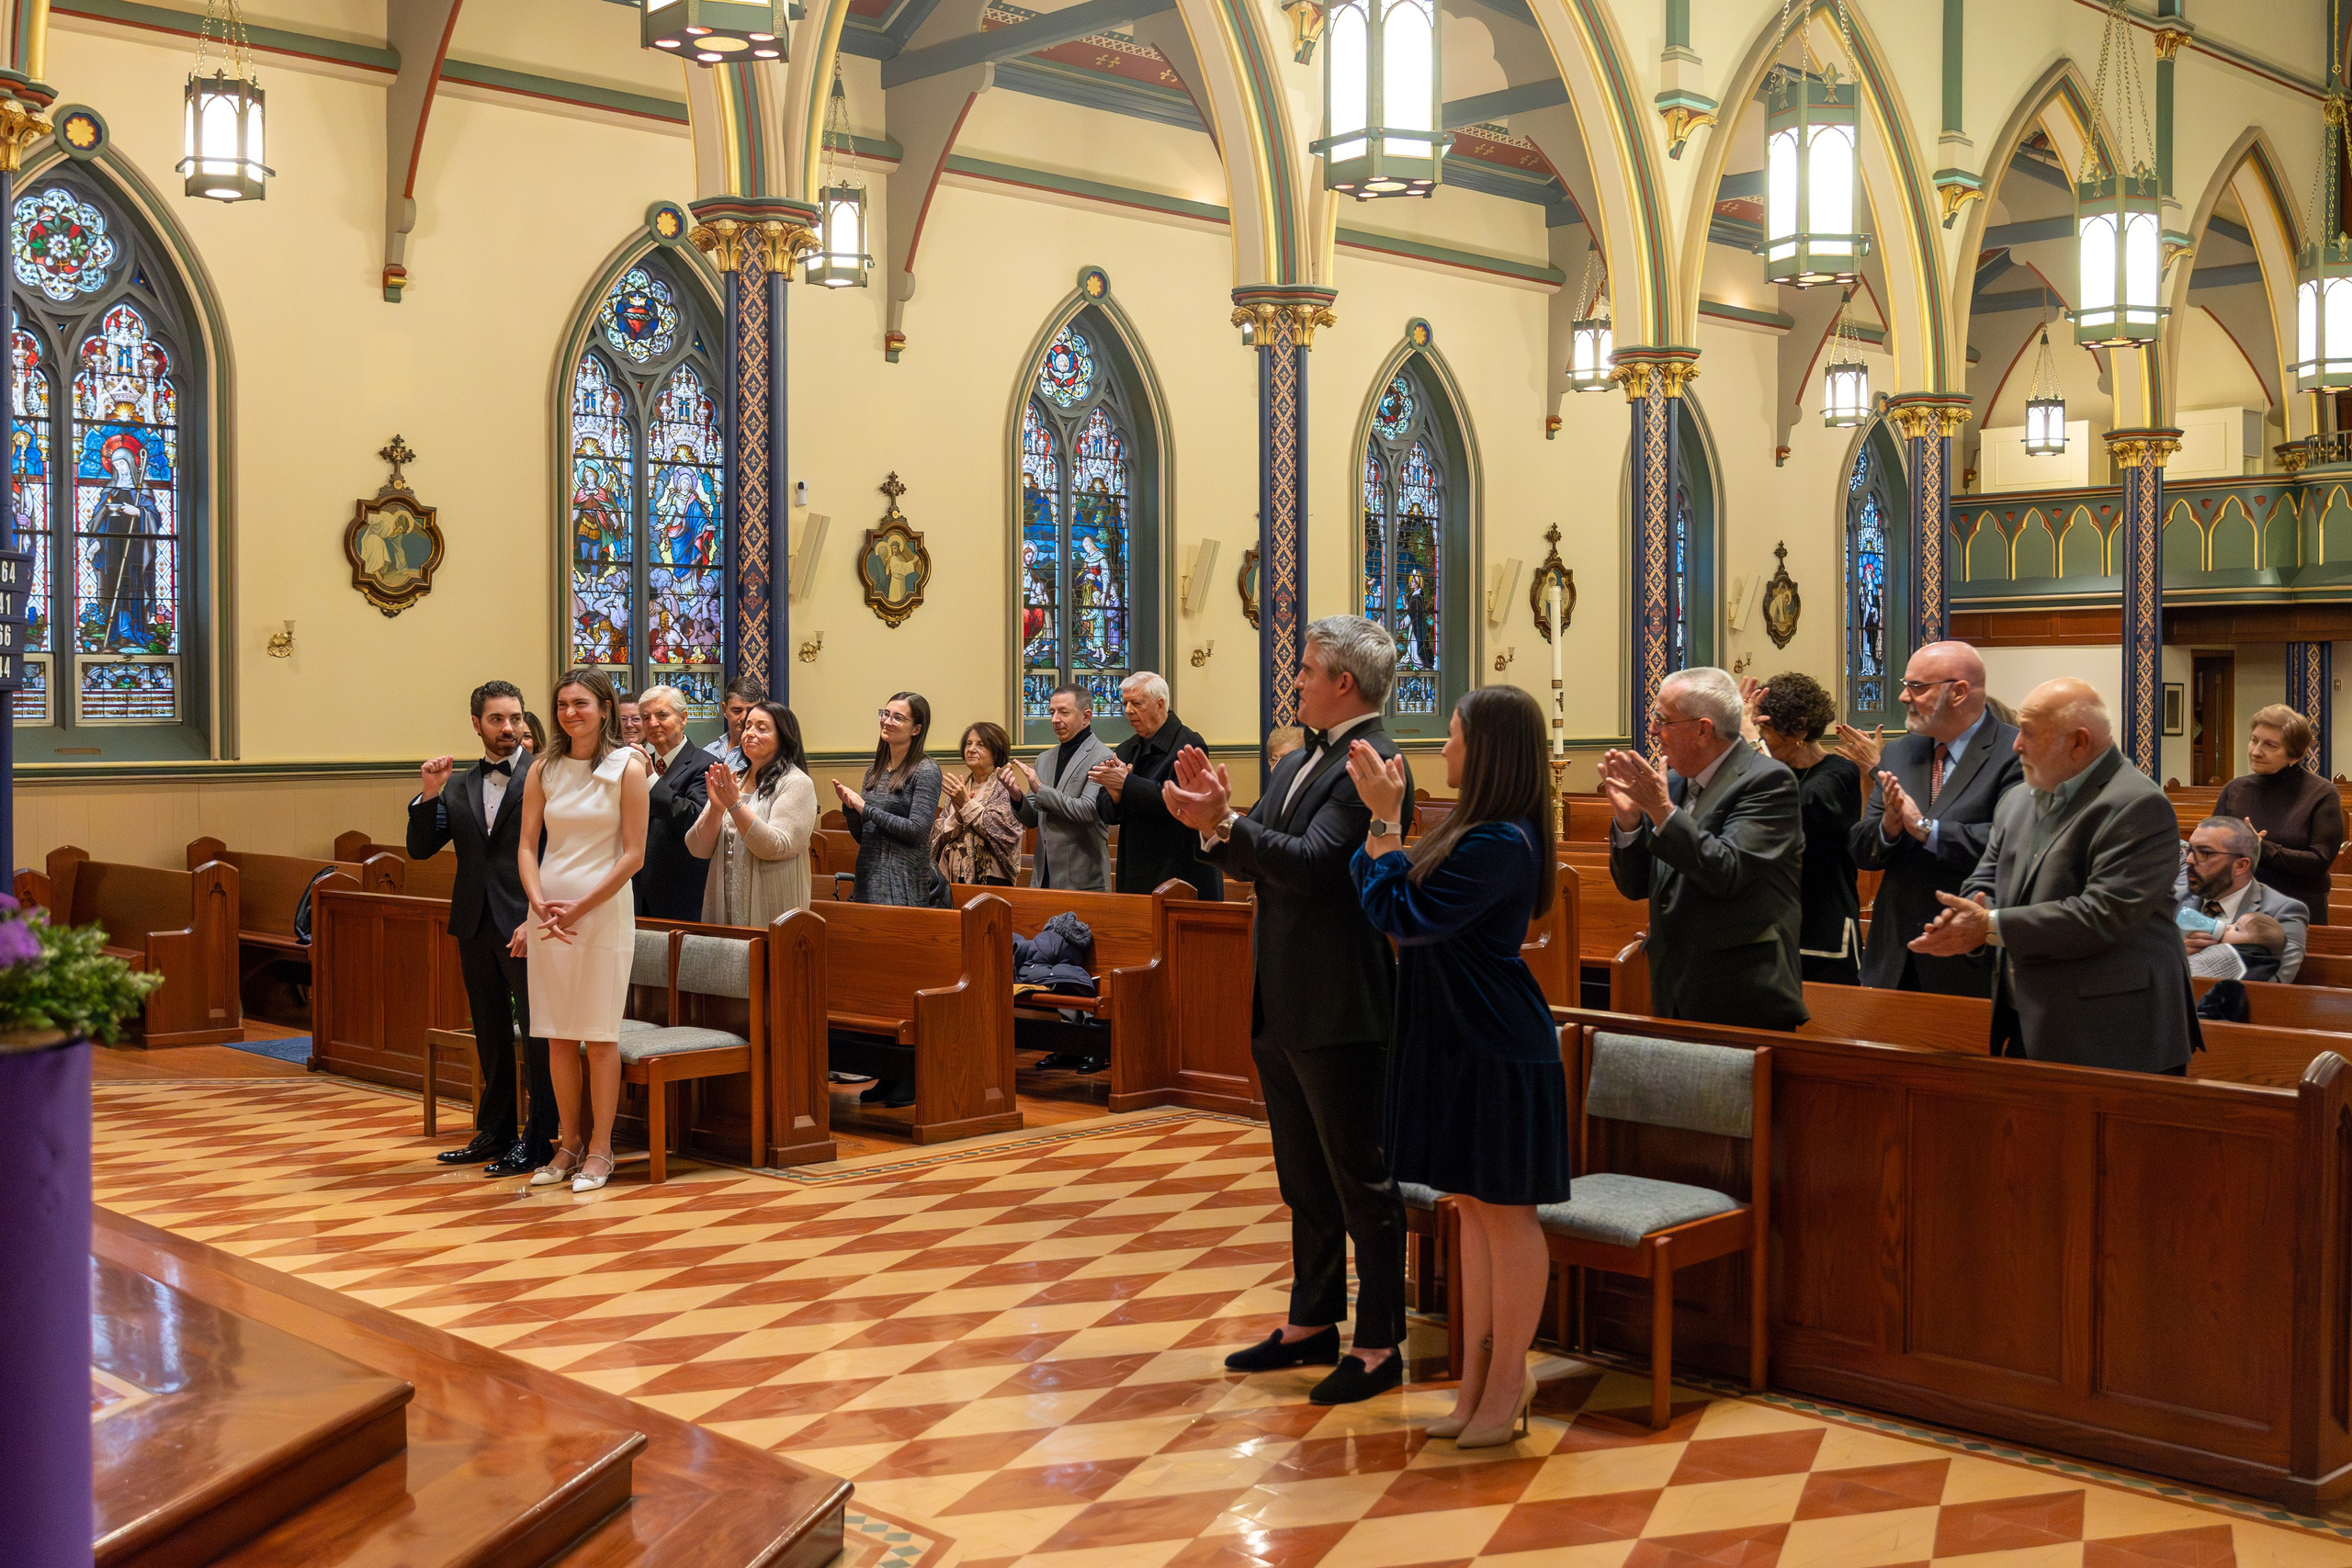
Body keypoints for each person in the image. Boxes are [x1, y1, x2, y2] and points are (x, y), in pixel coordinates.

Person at [1164, 615, 1414, 1405]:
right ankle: (1313, 1320)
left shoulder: (1371, 762)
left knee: (1360, 1180)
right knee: (1303, 1176)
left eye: (1306, 670)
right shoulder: (1304, 758)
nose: (1295, 680)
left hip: (1341, 1001)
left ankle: (1379, 1342)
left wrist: (1228, 826)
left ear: (1344, 682)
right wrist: (1218, 824)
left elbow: (1313, 868)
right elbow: (1256, 851)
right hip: (1284, 992)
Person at [1349, 685, 1568, 1447]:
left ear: (1488, 750)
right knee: (1470, 1210)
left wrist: (1385, 823)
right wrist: (1385, 830)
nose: (1443, 750)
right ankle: (1476, 1381)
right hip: (1452, 1034)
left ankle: (1510, 1381)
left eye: (1452, 736)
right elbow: (1376, 888)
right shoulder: (1470, 830)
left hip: (1495, 1041)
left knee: (1507, 1214)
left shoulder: (1500, 841)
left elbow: (1402, 915)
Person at [1912, 679, 2200, 1075]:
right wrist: (1970, 916)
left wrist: (1990, 926)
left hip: (2113, 1031)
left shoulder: (2136, 804)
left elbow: (2102, 915)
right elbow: (1984, 879)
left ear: (2079, 743)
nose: (2015, 745)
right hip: (2028, 1017)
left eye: (2029, 733)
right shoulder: (2018, 799)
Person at [406, 680, 556, 1179]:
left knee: (537, 1032)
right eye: (497, 719)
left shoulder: (546, 774)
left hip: (526, 922)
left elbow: (560, 854)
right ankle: (494, 1131)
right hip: (474, 921)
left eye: (515, 718)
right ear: (477, 724)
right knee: (490, 1030)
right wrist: (428, 796)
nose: (509, 728)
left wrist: (537, 917)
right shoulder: (459, 784)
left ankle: (540, 1137)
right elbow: (421, 849)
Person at [1602, 667, 1806, 1029]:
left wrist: (1662, 813)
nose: (1652, 731)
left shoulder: (1768, 782)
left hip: (1741, 995)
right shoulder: (1673, 782)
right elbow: (1636, 887)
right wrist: (1629, 823)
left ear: (1703, 729)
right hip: (1673, 989)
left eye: (1662, 720)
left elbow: (1727, 871)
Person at [514, 668, 650, 1191]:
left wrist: (579, 907)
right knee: (555, 1034)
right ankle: (568, 1143)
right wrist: (539, 901)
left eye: (582, 704)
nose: (571, 713)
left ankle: (600, 1150)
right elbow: (528, 845)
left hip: (602, 911)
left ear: (605, 709)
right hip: (548, 911)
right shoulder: (543, 768)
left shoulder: (626, 768)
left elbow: (634, 854)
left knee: (598, 1034)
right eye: (563, 704)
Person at [1850, 641, 2023, 994]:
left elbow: (2013, 843)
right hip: (1893, 957)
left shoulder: (2016, 751)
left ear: (1959, 692)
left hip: (1969, 958)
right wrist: (1890, 828)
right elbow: (1861, 845)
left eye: (1917, 687)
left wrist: (1927, 829)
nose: (1903, 697)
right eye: (1905, 684)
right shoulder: (1899, 751)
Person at [835, 691, 944, 1108]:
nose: (888, 722)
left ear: (916, 728)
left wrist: (867, 808)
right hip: (870, 878)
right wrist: (852, 810)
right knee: (875, 980)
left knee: (902, 981)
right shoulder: (876, 769)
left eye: (898, 718)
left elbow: (917, 831)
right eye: (885, 714)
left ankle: (910, 1077)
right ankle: (884, 1073)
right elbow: (866, 835)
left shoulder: (926, 769)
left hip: (903, 882)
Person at [1747, 671, 1862, 985]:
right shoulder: (1771, 770)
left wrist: (1753, 746)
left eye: (1764, 730)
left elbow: (1792, 810)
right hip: (1772, 921)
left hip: (1823, 923)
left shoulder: (1839, 774)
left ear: (1798, 728)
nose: (1760, 739)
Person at [1091, 671, 1222, 898]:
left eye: (1136, 704)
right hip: (1136, 867)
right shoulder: (1127, 749)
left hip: (1179, 866)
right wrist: (1114, 794)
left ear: (1159, 704)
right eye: (1125, 703)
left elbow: (1182, 802)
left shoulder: (1189, 744)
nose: (1128, 711)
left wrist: (1126, 784)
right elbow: (1108, 814)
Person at [687, 700, 819, 925]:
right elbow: (697, 848)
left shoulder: (796, 783)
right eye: (748, 726)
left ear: (783, 737)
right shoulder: (734, 782)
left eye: (762, 728)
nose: (750, 733)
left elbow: (776, 846)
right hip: (723, 909)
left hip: (772, 911)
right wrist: (717, 809)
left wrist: (735, 805)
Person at [2216, 704, 2343, 925]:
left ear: (2294, 754)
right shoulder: (2235, 790)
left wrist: (2261, 849)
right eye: (2254, 740)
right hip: (2237, 909)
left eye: (2270, 745)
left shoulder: (2321, 793)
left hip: (2298, 911)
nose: (2256, 751)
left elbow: (2319, 862)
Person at [2179, 815, 2308, 984]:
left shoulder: (2283, 911)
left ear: (2241, 865)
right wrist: (2178, 957)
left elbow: (2275, 986)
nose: (2189, 860)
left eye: (2204, 852)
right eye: (2190, 850)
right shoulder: (2176, 900)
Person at [1012, 685, 1112, 890]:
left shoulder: (1103, 757)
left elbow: (1087, 810)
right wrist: (1016, 796)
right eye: (1052, 712)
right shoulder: (1044, 759)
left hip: (1083, 880)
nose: (1055, 720)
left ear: (1086, 717)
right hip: (1043, 878)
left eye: (1063, 712)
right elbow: (1033, 819)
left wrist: (1041, 790)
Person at [632, 685, 712, 920]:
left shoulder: (705, 765)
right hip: (636, 892)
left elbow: (695, 819)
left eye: (662, 715)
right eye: (646, 717)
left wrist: (651, 781)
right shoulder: (635, 766)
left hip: (680, 895)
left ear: (683, 718)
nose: (653, 723)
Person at [932, 720, 1023, 886]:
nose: (971, 749)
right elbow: (939, 830)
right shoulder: (961, 787)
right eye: (968, 743)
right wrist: (958, 816)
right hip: (954, 874)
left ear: (996, 752)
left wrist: (966, 805)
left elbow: (1004, 832)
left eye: (980, 745)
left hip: (991, 877)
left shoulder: (1005, 788)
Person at [704, 675, 763, 769]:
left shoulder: (765, 755)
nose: (744, 717)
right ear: (724, 710)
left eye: (750, 710)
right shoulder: (709, 752)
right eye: (737, 710)